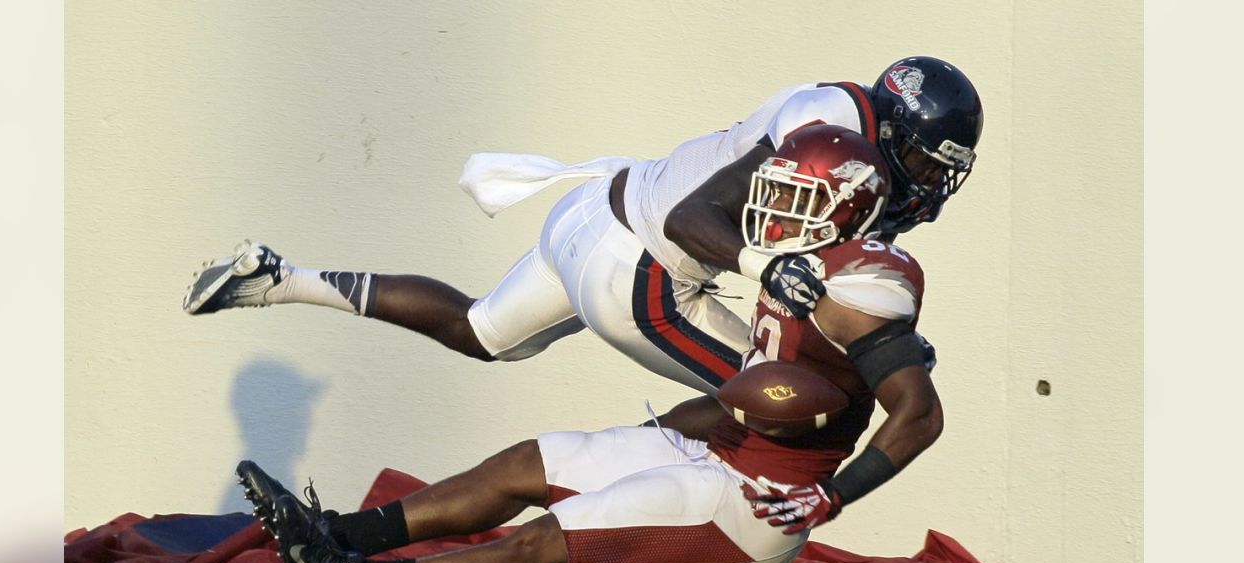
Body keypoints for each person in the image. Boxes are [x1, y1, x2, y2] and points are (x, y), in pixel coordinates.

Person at [235, 126, 944, 563]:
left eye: (797, 198)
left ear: (843, 207)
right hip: (719, 448)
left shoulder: (862, 290)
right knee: (523, 465)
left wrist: (831, 496)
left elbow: (919, 414)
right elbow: (709, 250)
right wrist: (659, 434)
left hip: (757, 502)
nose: (775, 209)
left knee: (545, 540)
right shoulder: (796, 258)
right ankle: (339, 536)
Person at [183, 56, 980, 395]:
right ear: (901, 130)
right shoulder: (827, 128)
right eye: (935, 158)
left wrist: (884, 341)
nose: (939, 180)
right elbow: (694, 215)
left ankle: (278, 281)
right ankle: (601, 502)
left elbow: (823, 268)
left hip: (597, 211)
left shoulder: (859, 143)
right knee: (781, 402)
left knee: (480, 331)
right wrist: (762, 270)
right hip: (646, 261)